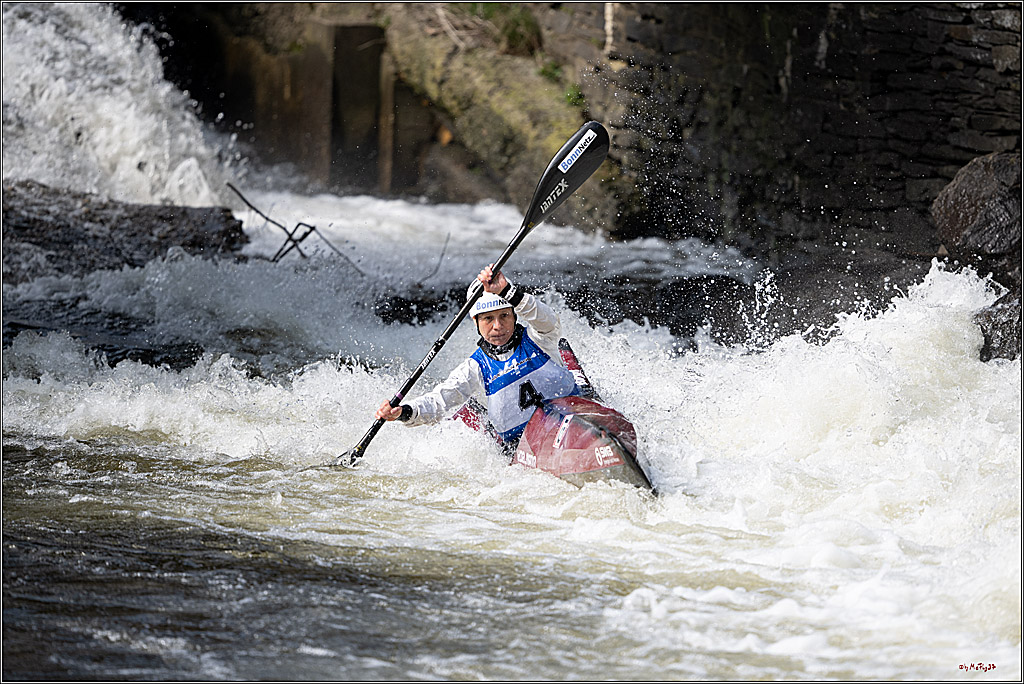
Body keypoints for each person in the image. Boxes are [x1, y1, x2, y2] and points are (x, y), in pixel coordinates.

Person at [375, 264, 579, 446]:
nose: (498, 326)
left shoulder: (539, 339)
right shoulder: (475, 368)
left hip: (575, 418)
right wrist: (404, 412)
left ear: (514, 314)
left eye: (505, 316)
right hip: (525, 446)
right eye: (488, 318)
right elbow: (439, 401)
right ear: (476, 322)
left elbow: (546, 319)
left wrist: (508, 292)